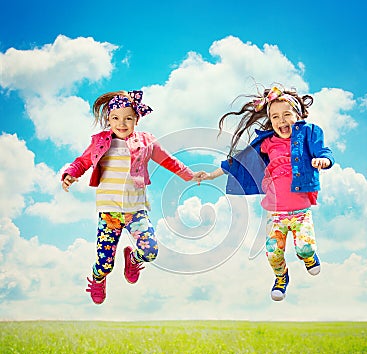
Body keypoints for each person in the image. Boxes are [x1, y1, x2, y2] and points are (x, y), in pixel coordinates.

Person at [62, 90, 204, 304]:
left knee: (150, 251)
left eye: (128, 118)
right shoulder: (100, 142)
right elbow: (82, 161)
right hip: (109, 214)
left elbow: (168, 161)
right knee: (104, 263)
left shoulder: (146, 142)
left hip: (135, 212)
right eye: (116, 118)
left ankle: (132, 258)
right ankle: (98, 279)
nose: (122, 123)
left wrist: (189, 175)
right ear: (108, 120)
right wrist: (71, 173)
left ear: (136, 119)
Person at [200, 85, 334, 301]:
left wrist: (324, 161)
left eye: (287, 115)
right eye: (275, 117)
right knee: (274, 254)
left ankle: (308, 257)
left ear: (297, 115)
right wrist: (211, 175)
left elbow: (324, 152)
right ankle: (281, 277)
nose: (281, 121)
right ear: (270, 121)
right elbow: (238, 162)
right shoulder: (267, 143)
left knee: (306, 248)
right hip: (275, 212)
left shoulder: (309, 133)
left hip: (301, 211)